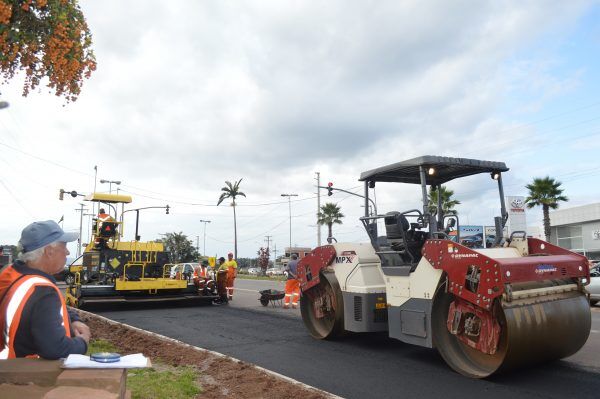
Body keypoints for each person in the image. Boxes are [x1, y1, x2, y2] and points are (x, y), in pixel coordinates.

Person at [0, 220, 90, 359]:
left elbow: (35, 310)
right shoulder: (42, 291)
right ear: (49, 251)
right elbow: (56, 349)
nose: (67, 252)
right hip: (21, 375)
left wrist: (73, 319)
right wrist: (82, 342)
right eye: (64, 245)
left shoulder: (13, 274)